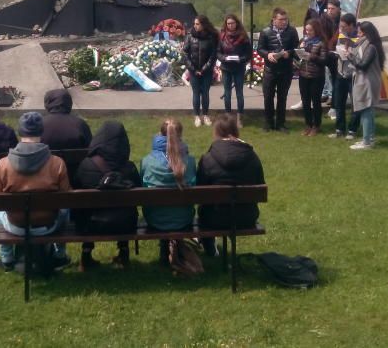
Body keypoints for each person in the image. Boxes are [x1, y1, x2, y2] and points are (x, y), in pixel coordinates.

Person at [0, 112, 71, 272]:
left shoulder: (3, 164)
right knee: (65, 208)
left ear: (20, 132)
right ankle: (60, 255)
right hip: (48, 225)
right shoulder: (57, 163)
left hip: (15, 225)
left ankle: (6, 259)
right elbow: (67, 197)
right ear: (41, 132)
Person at [73, 121, 141, 270]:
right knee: (123, 209)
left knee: (85, 209)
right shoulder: (129, 168)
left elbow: (76, 187)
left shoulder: (86, 166)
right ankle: (123, 253)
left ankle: (86, 255)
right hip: (125, 224)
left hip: (90, 224)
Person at [140, 119, 197, 266]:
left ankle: (166, 247)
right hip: (183, 218)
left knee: (162, 208)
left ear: (160, 134)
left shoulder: (147, 161)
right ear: (181, 136)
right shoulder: (190, 161)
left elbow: (142, 186)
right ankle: (177, 246)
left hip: (155, 219)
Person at [197, 114, 265, 232]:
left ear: (216, 133)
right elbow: (260, 184)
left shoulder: (207, 159)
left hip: (213, 218)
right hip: (246, 217)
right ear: (236, 132)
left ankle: (210, 248)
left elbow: (199, 191)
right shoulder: (253, 157)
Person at [256, 7, 300, 132]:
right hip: (270, 70)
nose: (284, 22)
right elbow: (260, 49)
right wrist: (267, 55)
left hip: (286, 70)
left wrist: (289, 53)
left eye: (286, 19)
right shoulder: (265, 32)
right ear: (274, 20)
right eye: (281, 19)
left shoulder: (292, 31)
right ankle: (268, 122)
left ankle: (281, 123)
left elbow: (296, 48)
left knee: (282, 97)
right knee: (268, 96)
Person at [346, 21, 385, 150]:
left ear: (365, 33)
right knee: (367, 110)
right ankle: (369, 139)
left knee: (366, 110)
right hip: (365, 79)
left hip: (367, 81)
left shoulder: (371, 46)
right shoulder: (367, 44)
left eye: (359, 32)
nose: (357, 34)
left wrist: (350, 57)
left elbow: (363, 65)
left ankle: (367, 141)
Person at [183, 14, 219, 127]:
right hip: (193, 70)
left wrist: (204, 69)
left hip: (206, 71)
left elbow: (213, 55)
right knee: (196, 93)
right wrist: (193, 69)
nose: (195, 26)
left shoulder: (211, 37)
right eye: (194, 24)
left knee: (205, 93)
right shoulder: (189, 36)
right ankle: (197, 116)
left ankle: (206, 115)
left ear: (203, 25)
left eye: (197, 24)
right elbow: (185, 53)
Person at [217, 13, 252, 127]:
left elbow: (248, 54)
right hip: (226, 67)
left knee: (239, 93)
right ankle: (228, 117)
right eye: (228, 23)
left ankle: (239, 118)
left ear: (236, 23)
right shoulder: (222, 36)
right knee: (227, 93)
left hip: (239, 67)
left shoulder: (243, 36)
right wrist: (224, 58)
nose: (230, 25)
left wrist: (240, 59)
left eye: (232, 23)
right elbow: (218, 52)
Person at [329, 13, 359, 139]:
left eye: (344, 27)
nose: (342, 29)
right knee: (339, 102)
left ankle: (352, 130)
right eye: (340, 26)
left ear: (352, 25)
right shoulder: (340, 35)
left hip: (353, 74)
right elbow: (332, 46)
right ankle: (339, 129)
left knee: (355, 103)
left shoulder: (359, 37)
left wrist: (350, 54)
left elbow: (362, 56)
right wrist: (336, 53)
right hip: (341, 73)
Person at [297, 19, 328, 136]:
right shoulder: (303, 41)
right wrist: (299, 53)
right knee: (305, 101)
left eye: (310, 30)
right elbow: (297, 55)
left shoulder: (321, 43)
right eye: (306, 30)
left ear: (316, 30)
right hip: (303, 75)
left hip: (316, 76)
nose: (307, 32)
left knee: (315, 101)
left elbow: (324, 60)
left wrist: (311, 56)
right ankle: (308, 124)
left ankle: (316, 125)